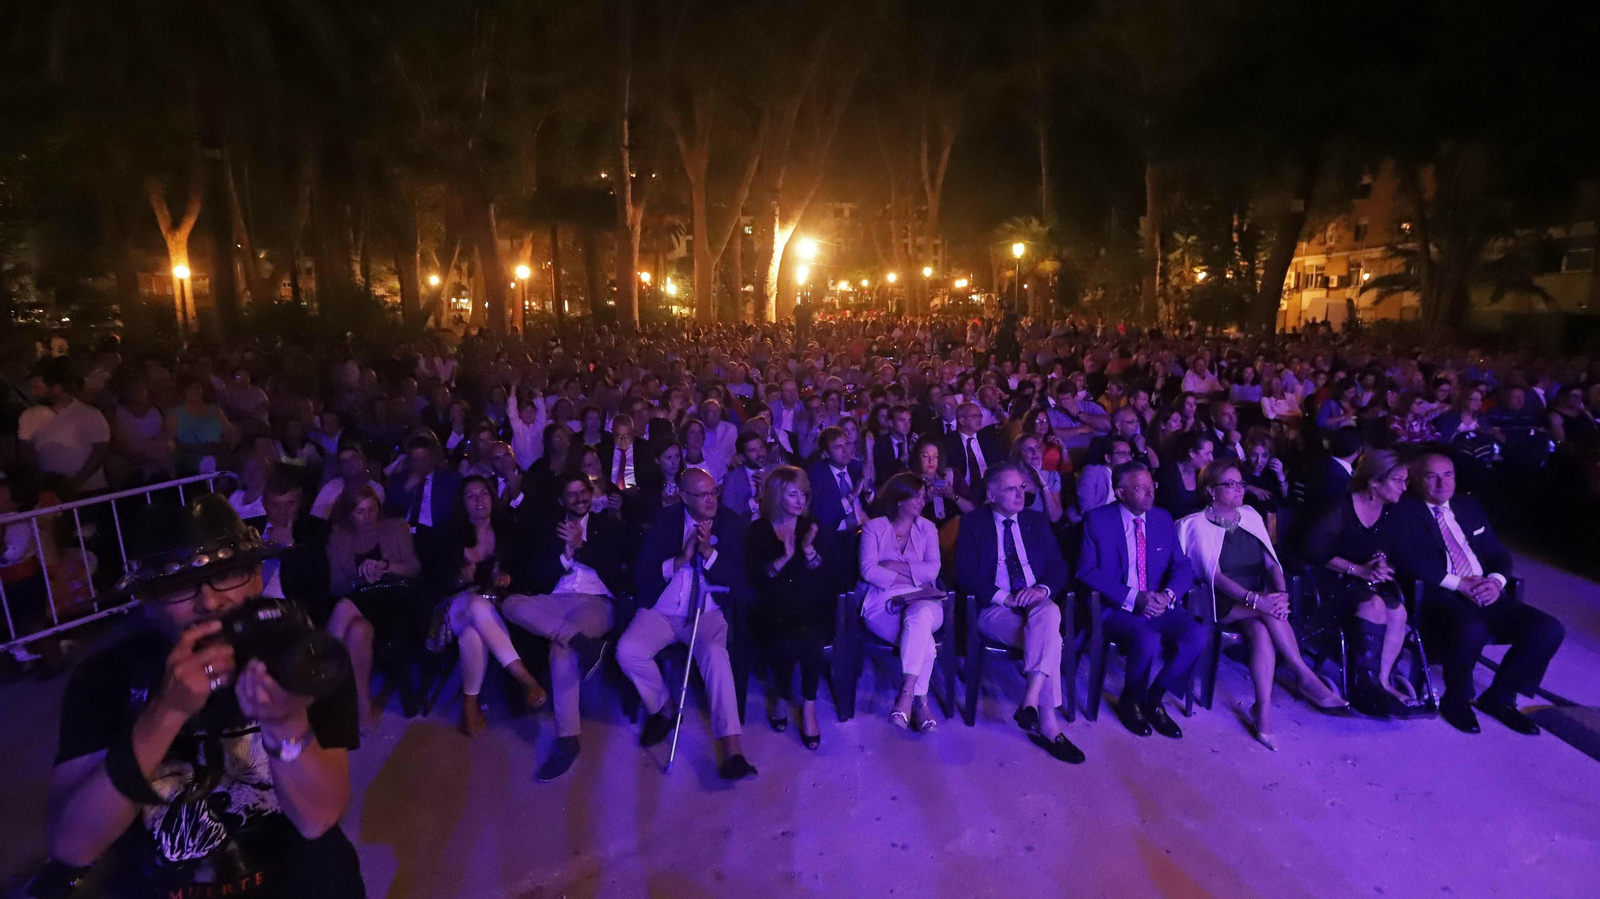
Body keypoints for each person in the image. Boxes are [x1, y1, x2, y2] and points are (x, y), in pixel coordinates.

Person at [43, 496, 363, 897]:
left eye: (227, 574)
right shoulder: (107, 677)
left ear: (257, 576)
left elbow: (320, 818)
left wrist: (285, 723)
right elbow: (71, 846)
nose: (209, 601)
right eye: (179, 586)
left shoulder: (305, 657)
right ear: (149, 601)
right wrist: (165, 712)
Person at [1177, 460, 1349, 750]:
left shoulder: (1250, 515)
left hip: (1257, 596)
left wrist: (1279, 593)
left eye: (1241, 484)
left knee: (1261, 631)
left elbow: (1271, 561)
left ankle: (1263, 710)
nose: (1239, 490)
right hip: (1216, 600)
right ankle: (1305, 676)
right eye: (1230, 485)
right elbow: (1214, 577)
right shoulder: (1194, 524)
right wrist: (1260, 600)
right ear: (1211, 490)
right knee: (1267, 614)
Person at [1390, 454, 1564, 735]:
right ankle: (1455, 699)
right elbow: (1404, 558)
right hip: (1438, 595)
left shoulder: (1467, 505)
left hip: (1486, 591)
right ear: (1415, 479)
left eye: (1448, 475)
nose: (1441, 483)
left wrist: (1495, 582)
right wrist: (1459, 585)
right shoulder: (1403, 509)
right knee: (1472, 628)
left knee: (1548, 629)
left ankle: (1500, 697)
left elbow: (1497, 553)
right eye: (1431, 476)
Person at [616, 468, 756, 781]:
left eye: (713, 492)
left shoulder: (730, 524)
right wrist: (680, 560)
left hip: (706, 613)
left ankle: (732, 748)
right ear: (684, 497)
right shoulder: (666, 521)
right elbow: (643, 573)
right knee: (627, 650)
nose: (711, 500)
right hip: (664, 610)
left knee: (717, 657)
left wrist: (708, 553)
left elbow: (738, 582)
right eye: (703, 495)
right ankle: (664, 708)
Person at [953, 465, 1085, 764]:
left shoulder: (1035, 521)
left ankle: (1030, 701)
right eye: (1011, 489)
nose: (1020, 493)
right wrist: (1006, 598)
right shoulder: (973, 523)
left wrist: (1041, 589)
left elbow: (1059, 568)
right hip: (995, 608)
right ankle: (1048, 723)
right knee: (1052, 638)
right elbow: (966, 575)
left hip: (1035, 601)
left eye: (1022, 487)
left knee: (1048, 613)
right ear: (991, 495)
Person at [502, 473, 630, 781]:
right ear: (562, 500)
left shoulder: (607, 526)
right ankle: (583, 643)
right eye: (571, 494)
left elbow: (620, 572)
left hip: (595, 602)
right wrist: (564, 556)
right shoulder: (549, 530)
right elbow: (538, 577)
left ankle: (567, 739)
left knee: (562, 653)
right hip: (555, 600)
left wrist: (581, 547)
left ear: (590, 494)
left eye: (582, 492)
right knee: (510, 604)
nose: (578, 498)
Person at [1077, 461, 1205, 739]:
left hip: (1160, 603)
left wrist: (1168, 595)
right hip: (1117, 608)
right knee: (1147, 638)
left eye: (1151, 486)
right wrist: (1135, 598)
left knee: (1196, 634)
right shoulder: (1097, 520)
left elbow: (1182, 566)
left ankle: (1154, 697)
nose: (1149, 494)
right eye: (1139, 488)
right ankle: (1130, 702)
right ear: (1120, 493)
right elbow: (1087, 571)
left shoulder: (1161, 518)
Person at [1302, 450, 1413, 719]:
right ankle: (1363, 685)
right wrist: (1358, 569)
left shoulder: (1390, 512)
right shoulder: (1341, 507)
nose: (1404, 486)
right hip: (1329, 580)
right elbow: (1313, 551)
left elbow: (1392, 551)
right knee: (1373, 605)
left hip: (1363, 580)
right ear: (1375, 482)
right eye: (1398, 480)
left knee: (1397, 609)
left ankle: (1384, 682)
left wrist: (1381, 563)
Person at [746, 466, 843, 749]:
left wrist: (809, 551)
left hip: (811, 607)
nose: (800, 500)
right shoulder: (759, 530)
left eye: (803, 494)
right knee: (785, 640)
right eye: (793, 494)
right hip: (772, 609)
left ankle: (808, 707)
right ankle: (782, 695)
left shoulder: (812, 526)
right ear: (777, 496)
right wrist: (784, 558)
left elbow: (829, 574)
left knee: (811, 637)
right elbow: (754, 578)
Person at [327, 485, 422, 732]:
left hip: (395, 598)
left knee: (343, 608)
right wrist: (360, 578)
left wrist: (386, 566)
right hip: (362, 601)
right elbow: (337, 585)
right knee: (357, 631)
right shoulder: (338, 539)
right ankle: (364, 707)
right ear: (349, 514)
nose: (367, 517)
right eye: (360, 511)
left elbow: (414, 568)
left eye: (372, 509)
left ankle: (321, 671)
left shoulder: (395, 527)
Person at [859, 472, 946, 732]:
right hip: (881, 601)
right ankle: (921, 702)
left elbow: (934, 570)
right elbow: (868, 570)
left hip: (923, 598)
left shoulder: (927, 527)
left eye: (923, 496)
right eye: (915, 496)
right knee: (923, 640)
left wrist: (891, 566)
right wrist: (911, 573)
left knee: (919, 615)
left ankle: (905, 694)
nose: (922, 501)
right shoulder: (874, 527)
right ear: (899, 499)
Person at [20, 362, 112, 495]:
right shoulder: (28, 416)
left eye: (36, 388)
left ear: (56, 388)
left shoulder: (90, 414)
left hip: (89, 490)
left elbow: (100, 451)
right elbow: (27, 453)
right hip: (50, 492)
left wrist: (76, 482)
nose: (32, 393)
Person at [165, 374, 236, 477]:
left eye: (198, 387)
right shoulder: (175, 413)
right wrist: (198, 449)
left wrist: (222, 445)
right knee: (207, 461)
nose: (195, 391)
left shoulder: (215, 410)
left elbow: (229, 432)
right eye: (190, 388)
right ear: (183, 391)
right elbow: (172, 441)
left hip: (218, 452)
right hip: (190, 456)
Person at [806, 426, 869, 535]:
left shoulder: (857, 467)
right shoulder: (816, 474)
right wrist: (852, 496)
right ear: (826, 453)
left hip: (864, 529)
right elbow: (823, 514)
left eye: (847, 444)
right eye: (838, 447)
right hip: (836, 534)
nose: (845, 450)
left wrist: (868, 490)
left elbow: (876, 506)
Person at [942, 401, 1002, 501]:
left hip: (990, 489)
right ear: (962, 420)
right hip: (964, 492)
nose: (979, 420)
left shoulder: (989, 438)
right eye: (974, 416)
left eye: (980, 416)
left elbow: (998, 464)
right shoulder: (948, 443)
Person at [310, 443, 386, 520]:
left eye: (353, 458)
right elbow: (316, 516)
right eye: (344, 461)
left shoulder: (376, 489)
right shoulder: (331, 486)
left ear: (362, 460)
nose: (349, 463)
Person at [910, 436, 971, 528]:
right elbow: (901, 512)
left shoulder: (951, 475)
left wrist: (953, 496)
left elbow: (972, 510)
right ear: (917, 457)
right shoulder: (909, 478)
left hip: (954, 529)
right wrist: (925, 498)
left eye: (935, 456)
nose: (931, 461)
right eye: (926, 456)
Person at [1154, 431, 1214, 520]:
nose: (1211, 458)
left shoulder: (1204, 475)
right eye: (1207, 453)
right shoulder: (1166, 475)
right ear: (1192, 453)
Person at [1072, 437, 1132, 523]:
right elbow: (1086, 509)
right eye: (1122, 454)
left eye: (1129, 454)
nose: (1129, 459)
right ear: (1108, 458)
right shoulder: (1092, 472)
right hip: (1096, 522)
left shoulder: (1129, 475)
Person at [1010, 433, 1064, 523]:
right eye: (1028, 449)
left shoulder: (1052, 476)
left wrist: (1045, 487)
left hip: (1042, 531)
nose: (1035, 452)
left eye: (1037, 447)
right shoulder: (1010, 477)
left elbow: (1055, 517)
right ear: (1019, 453)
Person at [720, 429, 772, 519]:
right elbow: (728, 514)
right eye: (753, 450)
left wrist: (771, 486)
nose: (760, 454)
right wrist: (756, 499)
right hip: (745, 530)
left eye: (761, 447)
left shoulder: (778, 471)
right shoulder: (732, 479)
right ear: (742, 457)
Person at [872, 404, 916, 486]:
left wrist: (914, 452)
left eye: (909, 420)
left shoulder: (914, 441)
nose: (907, 425)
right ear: (891, 423)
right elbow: (883, 476)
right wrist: (902, 458)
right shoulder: (880, 444)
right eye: (902, 420)